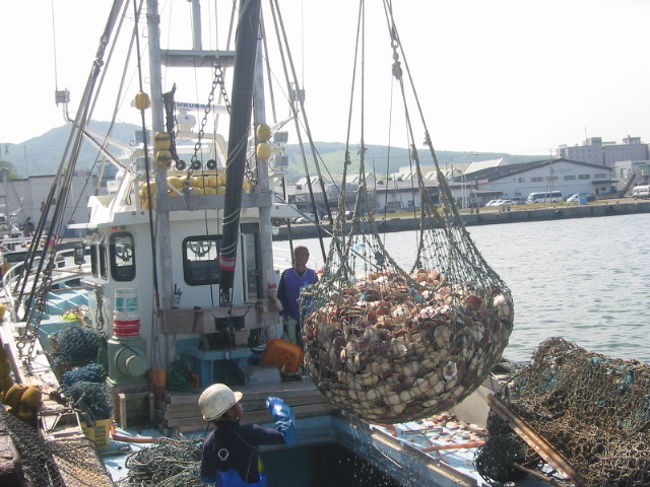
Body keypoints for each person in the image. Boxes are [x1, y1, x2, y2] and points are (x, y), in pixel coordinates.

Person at [199, 383, 296, 486]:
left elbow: (207, 478)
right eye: (237, 403)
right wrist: (280, 409)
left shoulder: (208, 442)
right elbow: (288, 437)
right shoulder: (250, 432)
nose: (240, 405)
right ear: (230, 412)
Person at [276, 246, 318, 345]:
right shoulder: (286, 274)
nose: (300, 257)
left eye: (303, 255)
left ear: (307, 257)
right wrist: (283, 313)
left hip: (308, 318)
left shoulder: (312, 275)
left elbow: (318, 296)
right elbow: (280, 295)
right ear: (294, 256)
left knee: (309, 344)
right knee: (292, 343)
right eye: (297, 255)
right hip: (291, 317)